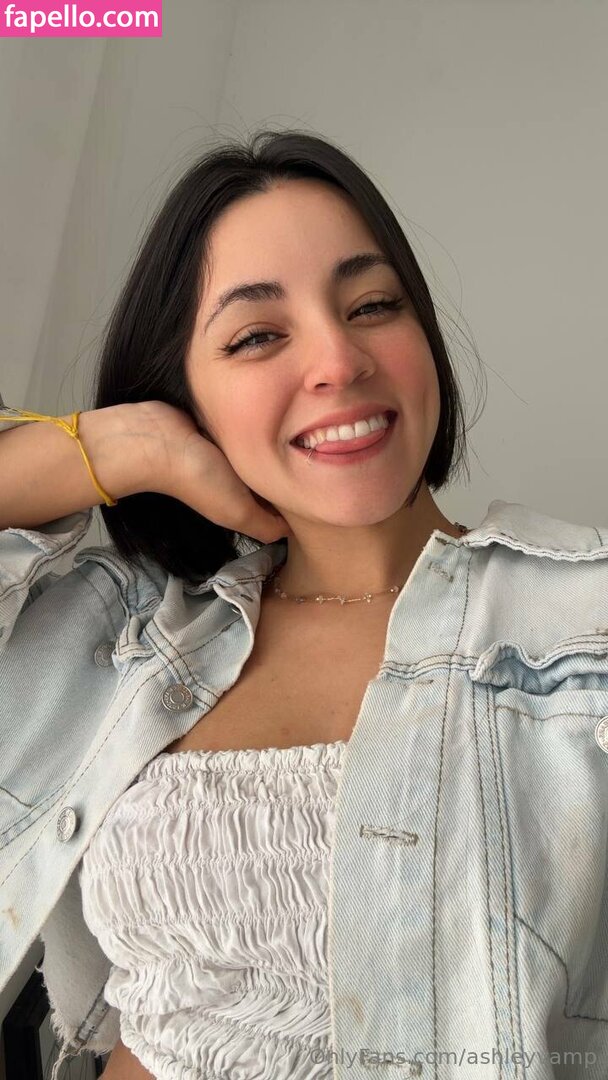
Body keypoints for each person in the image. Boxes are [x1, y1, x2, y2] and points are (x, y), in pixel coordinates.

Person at [1, 130, 607, 1080]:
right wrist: (123, 448)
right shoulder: (130, 635)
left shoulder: (585, 624)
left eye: (373, 306)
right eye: (256, 336)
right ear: (186, 396)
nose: (339, 359)